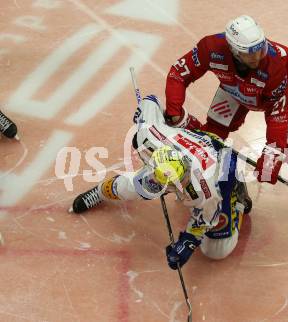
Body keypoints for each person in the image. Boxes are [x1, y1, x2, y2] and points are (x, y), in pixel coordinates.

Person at [164, 15, 288, 248]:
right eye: (249, 52)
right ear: (233, 50)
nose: (257, 56)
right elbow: (178, 73)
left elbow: (278, 115)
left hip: (280, 101)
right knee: (210, 139)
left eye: (260, 48)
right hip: (234, 90)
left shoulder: (277, 61)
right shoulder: (210, 47)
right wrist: (174, 111)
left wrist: (272, 154)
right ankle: (222, 186)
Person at [69, 95, 247, 268]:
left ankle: (235, 194)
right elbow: (150, 101)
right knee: (128, 187)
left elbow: (206, 219)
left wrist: (187, 242)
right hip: (185, 146)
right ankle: (99, 192)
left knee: (215, 250)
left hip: (222, 164)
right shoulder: (148, 136)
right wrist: (141, 113)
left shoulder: (205, 190)